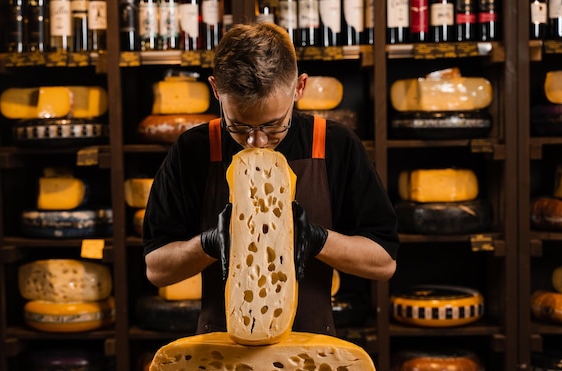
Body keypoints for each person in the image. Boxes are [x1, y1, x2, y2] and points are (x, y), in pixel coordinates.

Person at [142, 22, 399, 336]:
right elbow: (156, 269)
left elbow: (384, 262)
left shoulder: (334, 143)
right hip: (219, 359)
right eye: (238, 126)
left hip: (309, 359)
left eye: (274, 126)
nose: (257, 141)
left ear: (299, 88)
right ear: (215, 90)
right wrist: (207, 244)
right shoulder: (192, 149)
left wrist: (317, 239)